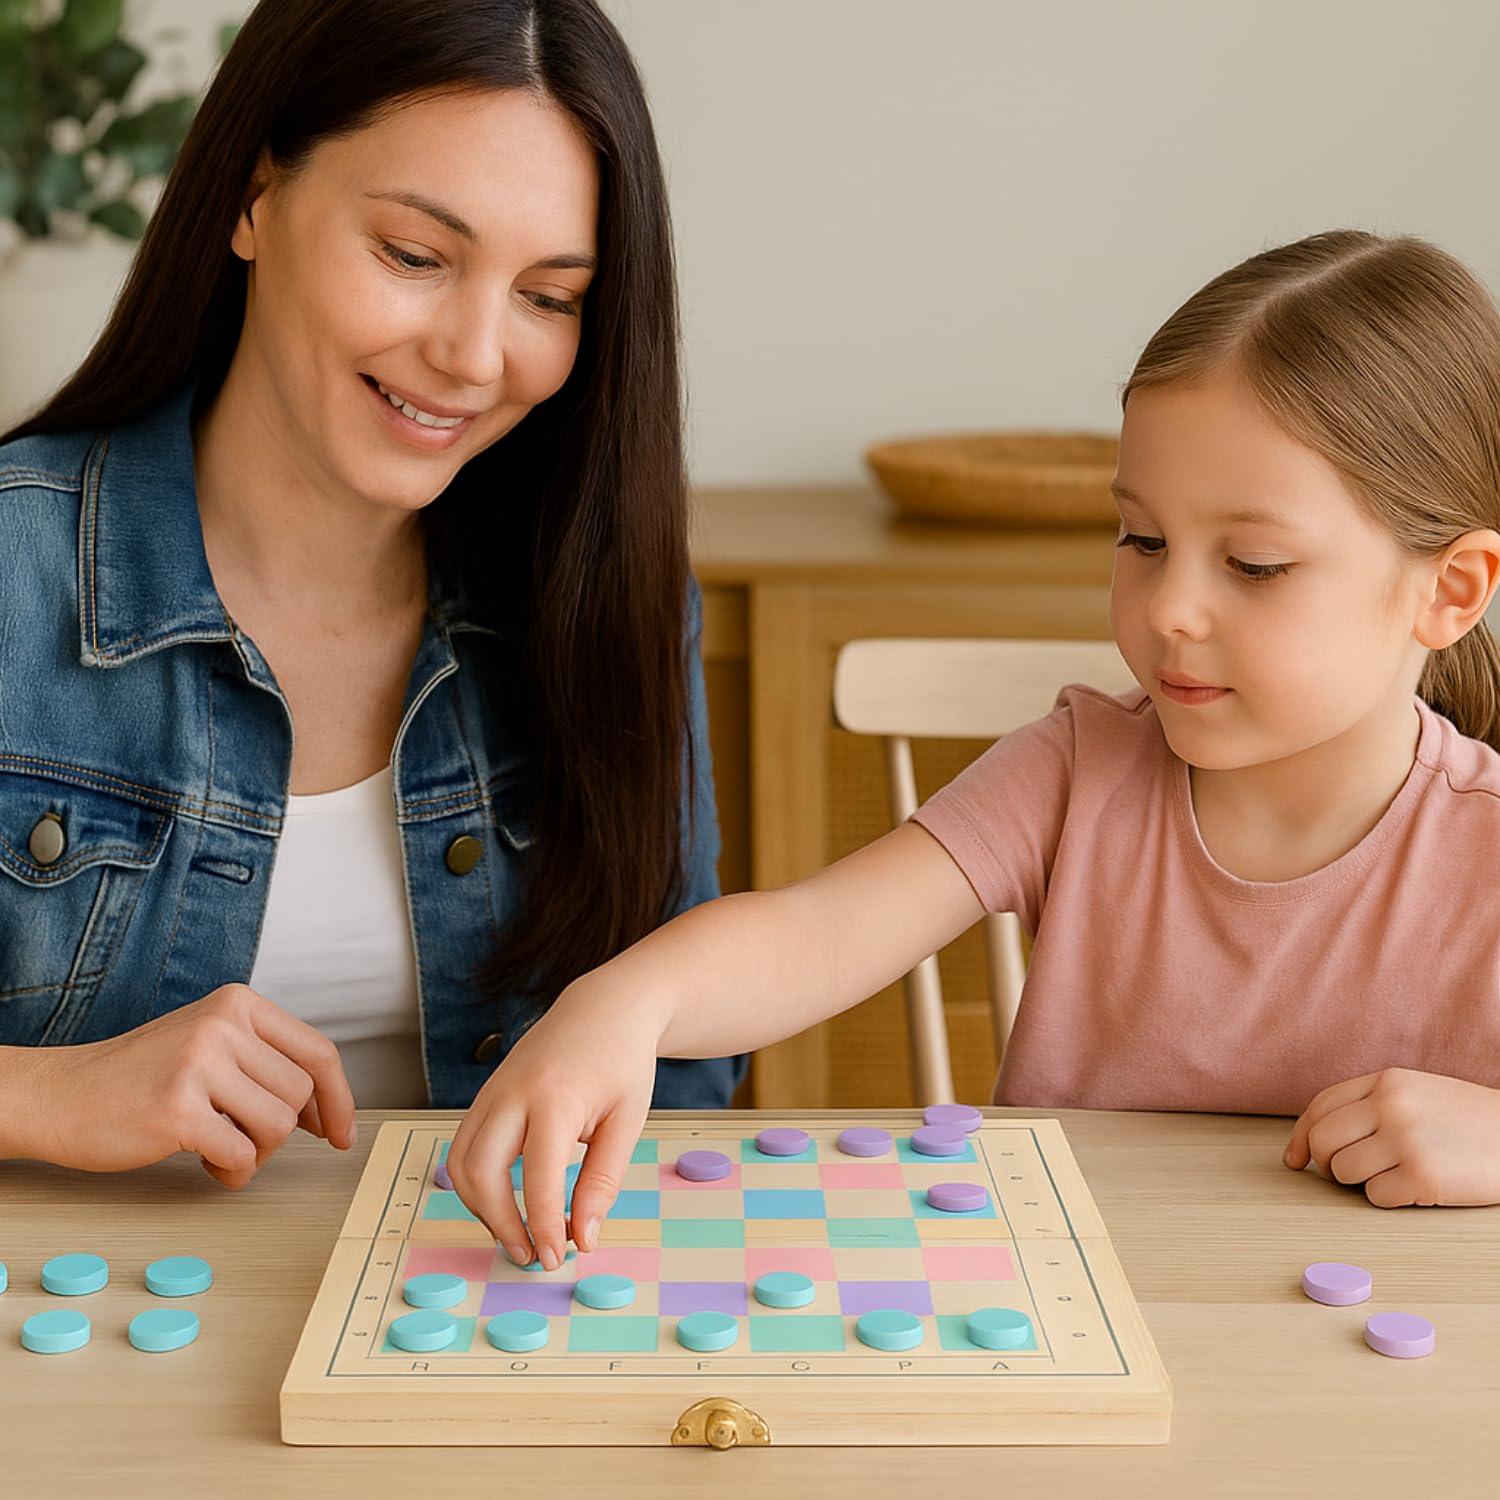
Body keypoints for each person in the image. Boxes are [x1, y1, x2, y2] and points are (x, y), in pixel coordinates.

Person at [450, 229, 1500, 1270]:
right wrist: (624, 1001)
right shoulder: (1076, 771)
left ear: (1449, 591)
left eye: (1256, 564)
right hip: (1072, 1337)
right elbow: (814, 934)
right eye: (1140, 540)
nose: (1171, 608)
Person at [0, 0, 743, 1187]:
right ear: (253, 200)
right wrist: (37, 1093)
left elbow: (685, 1072)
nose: (475, 354)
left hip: (470, 1340)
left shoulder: (602, 600)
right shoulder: (13, 571)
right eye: (414, 255)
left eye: (547, 297)